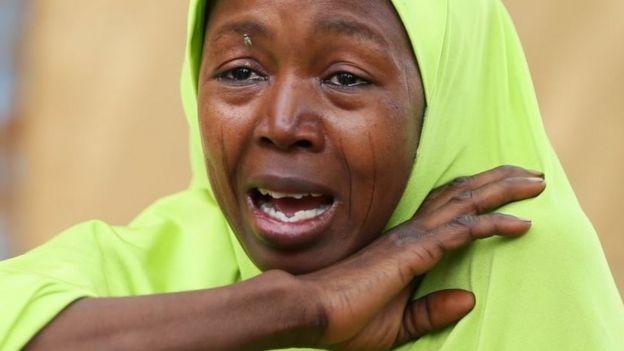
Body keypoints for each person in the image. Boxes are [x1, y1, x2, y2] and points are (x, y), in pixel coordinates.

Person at [1, 0, 622, 350]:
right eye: (241, 71)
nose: (281, 122)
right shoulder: (167, 255)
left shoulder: (511, 256)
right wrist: (293, 308)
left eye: (345, 77)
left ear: (442, 103)